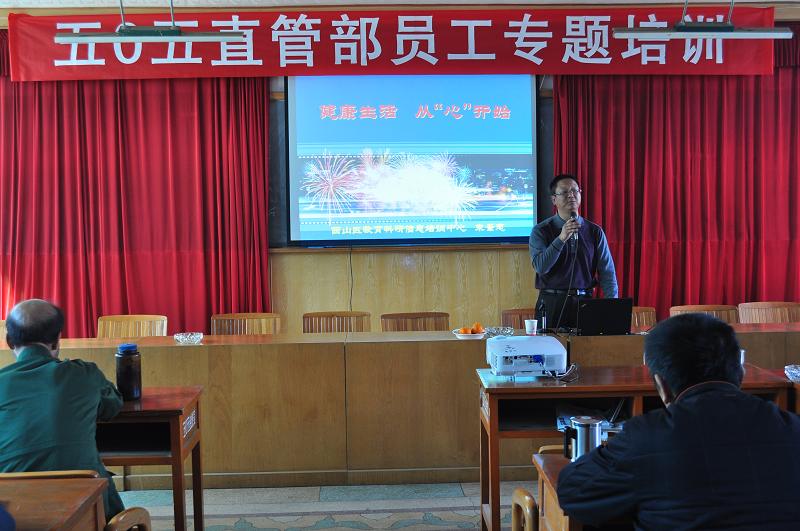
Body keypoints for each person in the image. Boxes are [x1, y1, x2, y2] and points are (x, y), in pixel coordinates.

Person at [557, 313, 800, 530]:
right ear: (741, 372)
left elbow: (573, 492)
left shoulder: (646, 438)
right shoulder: (793, 427)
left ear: (661, 385)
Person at [0, 299, 125, 520]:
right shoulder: (83, 374)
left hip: (16, 514)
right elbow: (112, 406)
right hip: (85, 511)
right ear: (58, 339)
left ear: (9, 341)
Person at [529, 174, 618, 329]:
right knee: (549, 344)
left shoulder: (594, 231)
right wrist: (561, 238)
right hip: (552, 302)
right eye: (564, 192)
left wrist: (613, 307)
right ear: (554, 199)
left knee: (588, 345)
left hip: (585, 302)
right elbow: (541, 267)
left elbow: (607, 272)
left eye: (575, 191)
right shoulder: (541, 231)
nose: (571, 195)